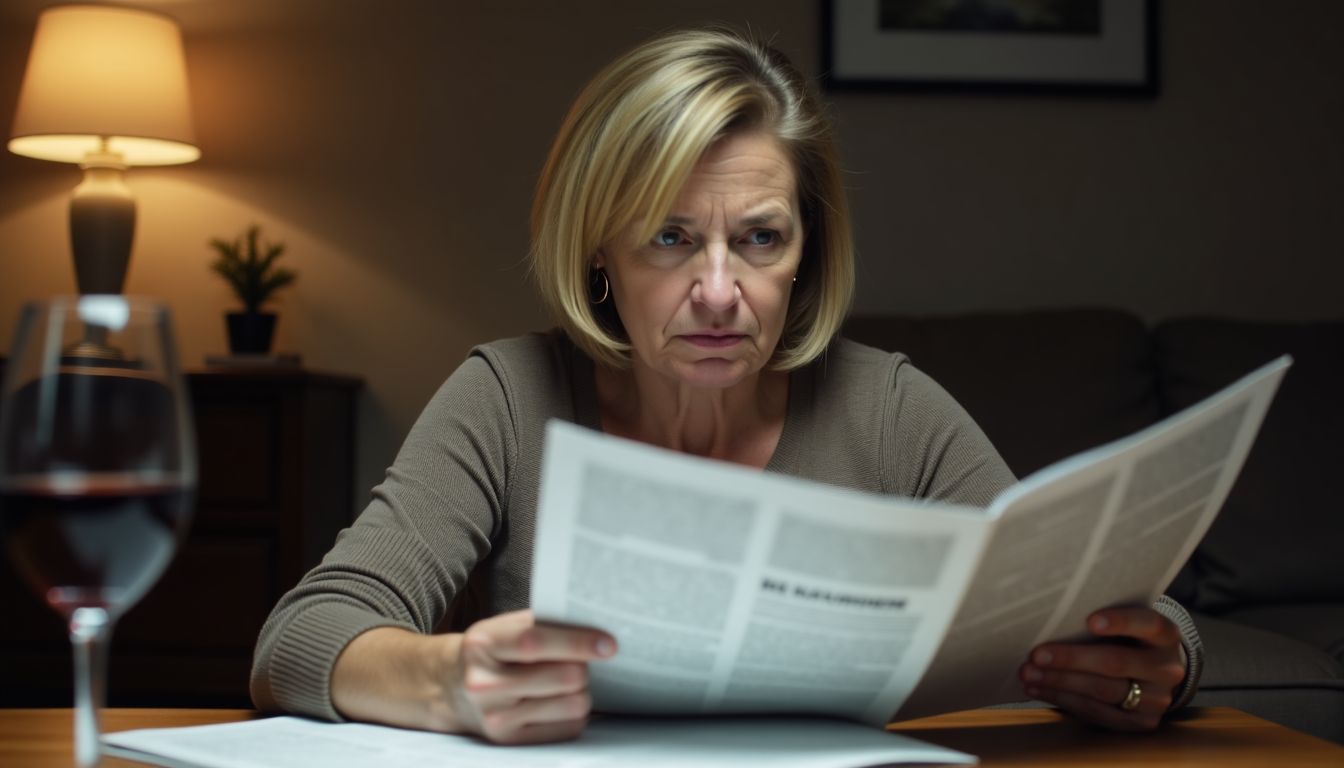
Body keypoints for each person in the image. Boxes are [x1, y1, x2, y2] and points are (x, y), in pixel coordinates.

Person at [250, 27, 1200, 745]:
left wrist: (1154, 665)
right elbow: (300, 640)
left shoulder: (891, 408)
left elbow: (1101, 599)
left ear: (806, 253)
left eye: (759, 238)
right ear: (599, 253)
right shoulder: (508, 396)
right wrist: (448, 679)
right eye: (669, 237)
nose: (718, 292)